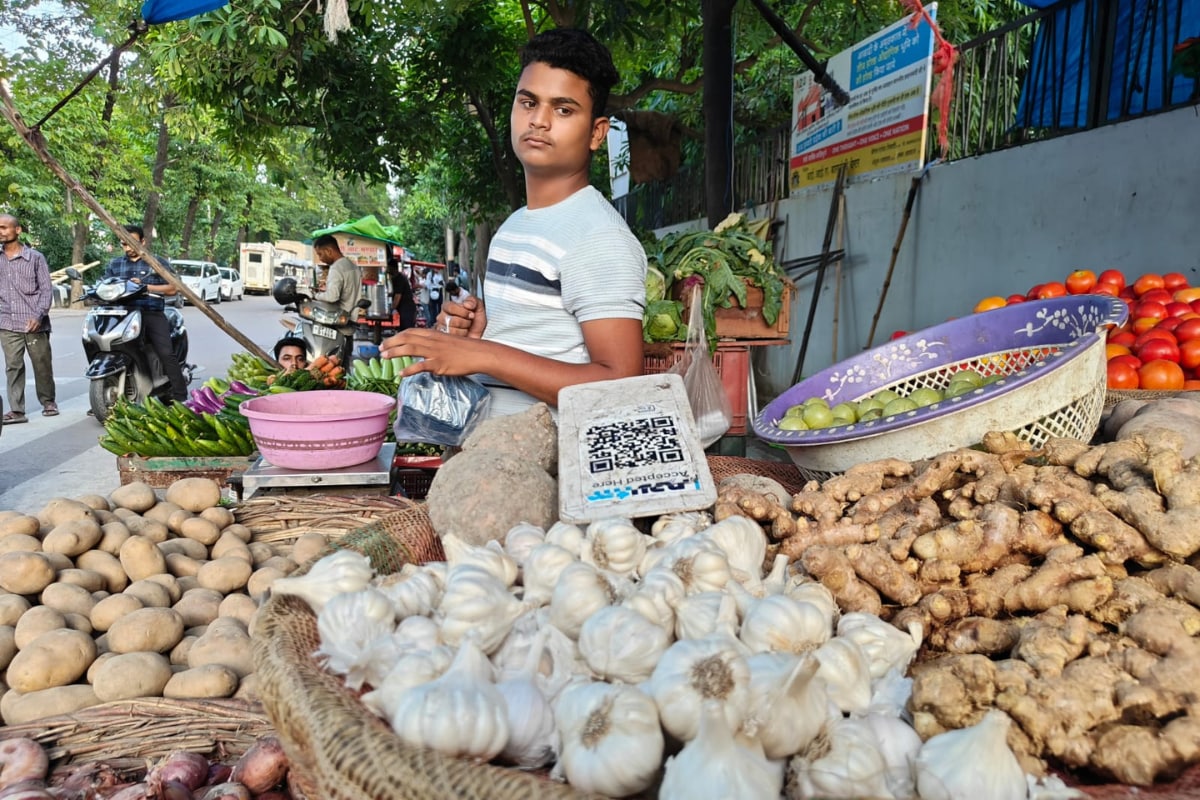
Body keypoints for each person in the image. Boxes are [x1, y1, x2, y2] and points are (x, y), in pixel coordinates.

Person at [380, 28, 646, 417]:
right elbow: (530, 345)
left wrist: (483, 353)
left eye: (563, 109)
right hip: (496, 454)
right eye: (527, 102)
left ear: (596, 133)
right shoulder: (516, 226)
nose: (538, 121)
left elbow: (620, 386)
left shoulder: (599, 237)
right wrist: (477, 333)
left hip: (550, 469)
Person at [103, 225, 189, 402]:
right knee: (106, 347)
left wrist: (145, 287)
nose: (128, 248)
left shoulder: (156, 263)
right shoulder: (115, 264)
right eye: (124, 244)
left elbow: (174, 288)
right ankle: (104, 390)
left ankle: (181, 396)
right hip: (122, 315)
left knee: (166, 352)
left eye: (132, 243)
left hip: (150, 313)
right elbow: (104, 285)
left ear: (143, 241)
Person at [0, 214, 57, 424]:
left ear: (18, 230)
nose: (1, 231)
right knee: (13, 366)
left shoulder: (35, 258)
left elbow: (46, 290)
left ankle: (48, 402)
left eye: (4, 227)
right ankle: (17, 410)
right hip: (7, 322)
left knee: (41, 364)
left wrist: (38, 315)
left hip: (34, 322)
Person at [311, 235, 361, 316]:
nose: (320, 258)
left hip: (340, 319)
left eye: (320, 254)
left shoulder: (336, 268)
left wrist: (315, 296)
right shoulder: (352, 265)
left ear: (329, 251)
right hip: (353, 318)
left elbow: (332, 297)